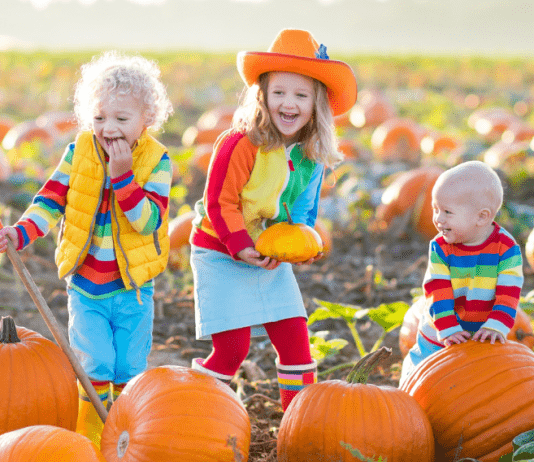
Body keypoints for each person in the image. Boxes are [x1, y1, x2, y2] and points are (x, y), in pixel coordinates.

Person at [0, 51, 173, 446]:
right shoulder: (78, 153)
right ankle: (92, 435)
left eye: (121, 119)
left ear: (147, 120)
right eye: (99, 118)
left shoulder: (157, 161)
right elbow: (50, 200)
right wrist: (21, 233)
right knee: (94, 361)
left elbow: (149, 221)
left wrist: (123, 177)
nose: (108, 128)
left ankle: (126, 430)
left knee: (128, 365)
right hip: (86, 286)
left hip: (133, 289)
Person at [189, 28, 357, 411]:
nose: (288, 103)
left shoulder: (311, 154)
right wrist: (241, 247)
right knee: (233, 349)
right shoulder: (240, 143)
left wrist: (302, 246)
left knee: (295, 337)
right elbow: (219, 202)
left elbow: (301, 215)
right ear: (261, 95)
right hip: (221, 248)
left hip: (268, 250)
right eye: (279, 92)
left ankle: (299, 422)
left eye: (301, 95)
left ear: (317, 105)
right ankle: (194, 408)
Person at [400, 160, 524, 385]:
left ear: (482, 217)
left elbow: (509, 292)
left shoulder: (506, 249)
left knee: (479, 382)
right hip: (440, 330)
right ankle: (407, 398)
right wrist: (447, 326)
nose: (438, 219)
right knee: (421, 373)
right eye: (436, 209)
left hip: (483, 331)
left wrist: (496, 324)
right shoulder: (440, 247)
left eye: (447, 212)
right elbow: (437, 290)